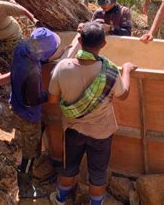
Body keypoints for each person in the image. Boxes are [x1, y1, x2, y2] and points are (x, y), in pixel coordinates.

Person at [48, 22, 138, 205]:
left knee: (69, 168)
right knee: (97, 173)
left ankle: (59, 200)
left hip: (72, 130)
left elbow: (52, 100)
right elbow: (124, 95)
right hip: (101, 133)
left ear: (79, 40)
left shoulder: (62, 67)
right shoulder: (110, 71)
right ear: (104, 44)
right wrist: (126, 70)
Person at [10, 28, 64, 199]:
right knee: (29, 153)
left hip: (16, 103)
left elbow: (38, 56)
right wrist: (52, 95)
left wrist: (51, 57)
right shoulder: (32, 71)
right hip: (28, 114)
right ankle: (25, 189)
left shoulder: (22, 48)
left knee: (33, 142)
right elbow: (33, 99)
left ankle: (34, 162)